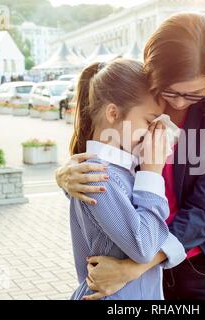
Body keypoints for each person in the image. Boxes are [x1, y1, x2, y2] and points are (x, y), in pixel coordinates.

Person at [56, 12, 205, 300]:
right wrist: (64, 175)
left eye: (195, 94)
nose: (179, 103)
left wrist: (133, 268)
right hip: (137, 252)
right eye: (171, 91)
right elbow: (106, 164)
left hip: (204, 261)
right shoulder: (139, 97)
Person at [64, 59, 186, 300]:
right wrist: (152, 172)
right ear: (113, 113)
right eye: (149, 122)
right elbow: (144, 248)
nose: (155, 133)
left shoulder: (118, 172)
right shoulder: (99, 177)